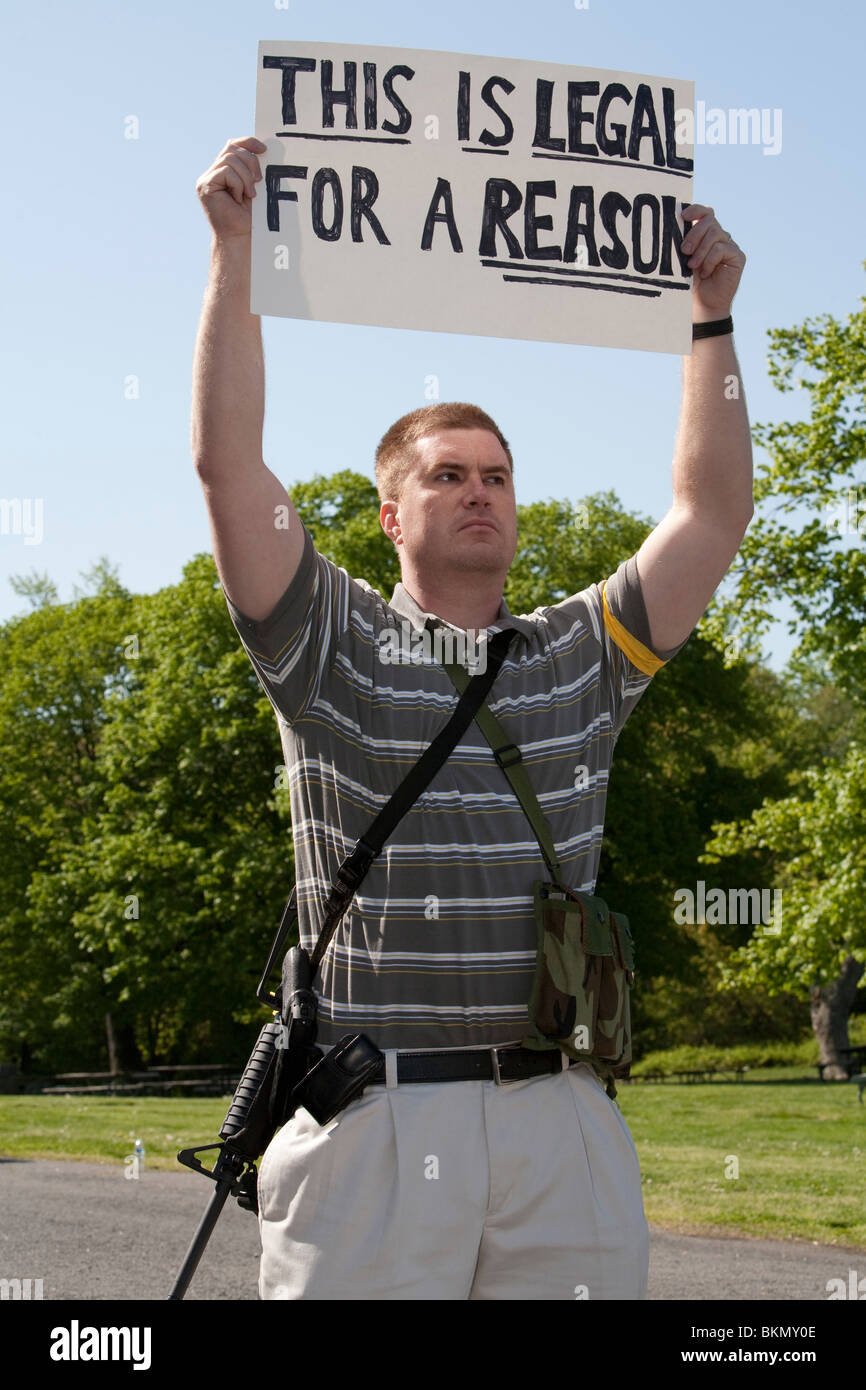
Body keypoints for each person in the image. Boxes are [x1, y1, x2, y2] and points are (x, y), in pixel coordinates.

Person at [192, 135, 752, 1300]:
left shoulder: (578, 654)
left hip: (562, 1116)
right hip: (373, 1122)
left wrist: (710, 317)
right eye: (445, 474)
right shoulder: (328, 640)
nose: (477, 489)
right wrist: (233, 252)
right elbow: (228, 464)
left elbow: (708, 513)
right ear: (390, 514)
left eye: (493, 473)